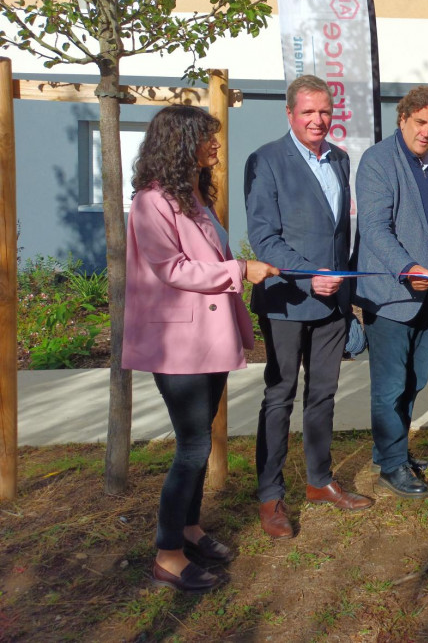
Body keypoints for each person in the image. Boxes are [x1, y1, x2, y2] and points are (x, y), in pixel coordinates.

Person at [123, 105, 279, 592]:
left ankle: (190, 528)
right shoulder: (151, 202)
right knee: (191, 448)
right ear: (180, 143)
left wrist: (239, 267)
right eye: (207, 138)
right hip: (178, 345)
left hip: (208, 340)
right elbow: (173, 269)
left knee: (201, 440)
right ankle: (168, 554)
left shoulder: (193, 195)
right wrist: (241, 271)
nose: (216, 146)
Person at [245, 75, 371, 539]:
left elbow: (341, 235)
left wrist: (347, 292)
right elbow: (264, 236)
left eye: (324, 111)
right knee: (279, 398)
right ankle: (270, 496)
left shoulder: (340, 159)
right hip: (286, 299)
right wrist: (307, 274)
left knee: (323, 395)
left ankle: (319, 481)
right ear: (290, 114)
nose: (318, 120)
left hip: (331, 303)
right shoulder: (265, 160)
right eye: (308, 112)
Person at [355, 86, 428, 495]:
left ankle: (392, 451)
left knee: (415, 379)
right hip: (392, 295)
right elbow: (374, 228)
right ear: (403, 119)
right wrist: (405, 266)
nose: (427, 132)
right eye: (421, 123)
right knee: (391, 385)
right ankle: (392, 466)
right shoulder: (379, 161)